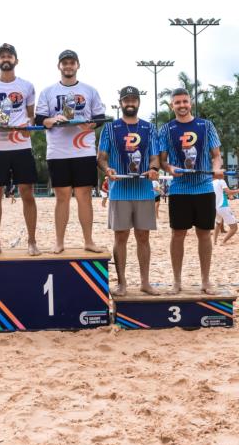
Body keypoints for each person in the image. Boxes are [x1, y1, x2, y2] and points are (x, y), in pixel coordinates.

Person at [36, 49, 105, 253]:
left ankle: (88, 241)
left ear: (77, 65)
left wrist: (90, 124)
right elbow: (40, 119)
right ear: (59, 66)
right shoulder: (48, 91)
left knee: (84, 196)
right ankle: (59, 242)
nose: (68, 66)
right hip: (58, 152)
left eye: (71, 62)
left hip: (83, 150)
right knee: (62, 197)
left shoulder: (90, 90)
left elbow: (99, 117)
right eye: (64, 63)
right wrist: (53, 120)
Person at [159, 88, 223, 294]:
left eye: (185, 101)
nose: (182, 105)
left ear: (191, 103)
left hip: (204, 188)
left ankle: (205, 281)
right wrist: (170, 168)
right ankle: (177, 281)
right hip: (179, 190)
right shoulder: (166, 129)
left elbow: (216, 155)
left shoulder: (206, 125)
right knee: (178, 234)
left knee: (204, 234)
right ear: (172, 105)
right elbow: (162, 161)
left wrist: (216, 169)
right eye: (177, 102)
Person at [97, 86, 160, 296]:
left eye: (133, 99)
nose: (130, 103)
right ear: (121, 102)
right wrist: (107, 170)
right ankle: (122, 283)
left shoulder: (149, 128)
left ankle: (145, 282)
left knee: (143, 237)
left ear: (138, 102)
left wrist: (153, 169)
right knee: (121, 237)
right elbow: (101, 157)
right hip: (120, 191)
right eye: (126, 100)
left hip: (143, 190)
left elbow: (155, 156)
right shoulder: (110, 128)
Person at [0, 43, 39, 257]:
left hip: (21, 144)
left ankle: (32, 241)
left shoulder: (27, 86)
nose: (6, 59)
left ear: (16, 60)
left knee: (27, 192)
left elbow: (31, 116)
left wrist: (28, 127)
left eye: (9, 56)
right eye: (2, 56)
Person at [212, 176, 238, 245]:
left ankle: (214, 241)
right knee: (234, 228)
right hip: (223, 206)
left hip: (215, 206)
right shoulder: (221, 181)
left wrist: (229, 195)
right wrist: (237, 191)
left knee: (218, 223)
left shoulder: (212, 182)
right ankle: (223, 242)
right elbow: (229, 192)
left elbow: (228, 194)